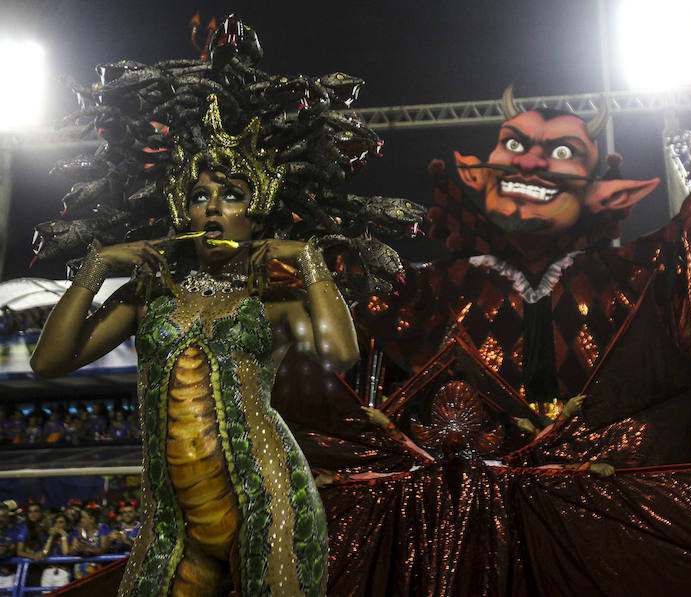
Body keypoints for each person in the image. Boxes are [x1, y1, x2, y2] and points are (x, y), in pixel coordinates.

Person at [280, 83, 691, 594]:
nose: (531, 162)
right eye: (513, 145)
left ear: (603, 192)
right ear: (476, 176)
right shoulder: (420, 290)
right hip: (444, 543)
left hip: (601, 535)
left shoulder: (635, 275)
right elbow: (331, 349)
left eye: (562, 150)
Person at [28, 16, 416, 597]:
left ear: (256, 210)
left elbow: (339, 354)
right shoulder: (148, 296)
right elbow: (49, 363)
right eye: (199, 195)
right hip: (171, 522)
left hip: (271, 502)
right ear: (182, 212)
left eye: (231, 195)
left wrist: (308, 259)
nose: (213, 208)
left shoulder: (274, 301)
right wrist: (96, 266)